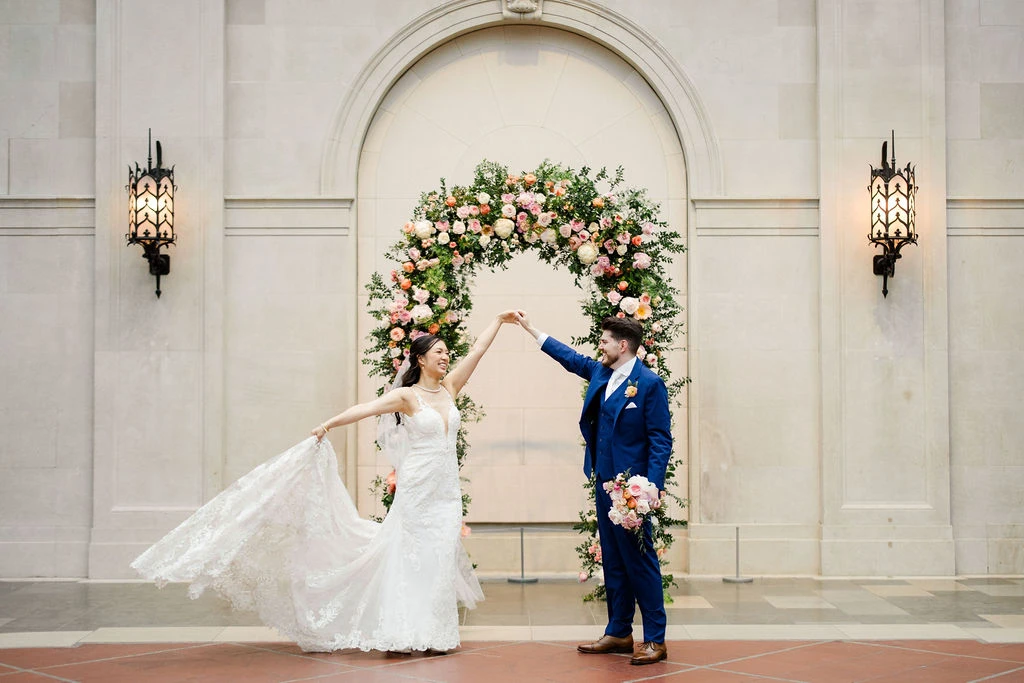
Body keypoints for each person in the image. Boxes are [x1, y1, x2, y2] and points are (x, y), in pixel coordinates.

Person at [131, 311, 520, 654]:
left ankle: (435, 633)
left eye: (446, 352)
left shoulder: (450, 389)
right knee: (410, 558)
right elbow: (365, 409)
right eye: (438, 351)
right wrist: (328, 424)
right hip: (417, 491)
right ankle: (402, 632)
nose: (446, 356)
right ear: (420, 359)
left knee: (438, 559)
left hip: (446, 494)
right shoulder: (407, 396)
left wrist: (498, 322)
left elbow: (477, 351)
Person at [514, 312, 672, 665]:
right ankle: (619, 631)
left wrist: (651, 487)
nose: (600, 346)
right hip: (604, 483)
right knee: (613, 559)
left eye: (604, 341)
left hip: (632, 491)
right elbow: (570, 358)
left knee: (640, 561)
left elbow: (660, 439)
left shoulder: (649, 384)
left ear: (623, 345)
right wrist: (531, 329)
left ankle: (655, 639)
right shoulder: (602, 372)